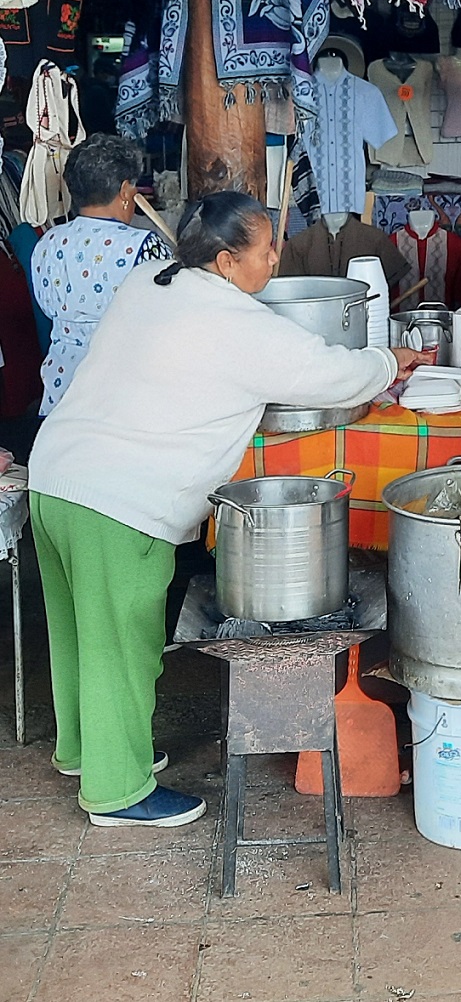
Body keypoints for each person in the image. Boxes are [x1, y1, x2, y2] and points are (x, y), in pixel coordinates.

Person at [27, 191, 423, 830]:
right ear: (223, 260)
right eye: (265, 245)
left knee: (78, 633)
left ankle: (86, 752)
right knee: (120, 646)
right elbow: (329, 375)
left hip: (56, 475)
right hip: (118, 499)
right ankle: (118, 792)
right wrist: (388, 360)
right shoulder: (235, 323)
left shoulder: (150, 285)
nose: (276, 254)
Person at [30, 134, 173, 414]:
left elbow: (47, 308)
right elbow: (166, 313)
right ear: (124, 192)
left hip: (63, 387)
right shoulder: (144, 245)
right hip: (121, 390)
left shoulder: (46, 242)